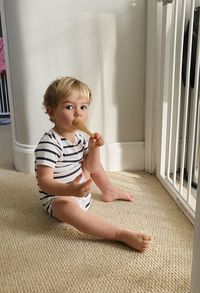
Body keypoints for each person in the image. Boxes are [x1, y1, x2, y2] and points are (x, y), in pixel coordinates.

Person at [34, 76, 152, 252]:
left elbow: (92, 168)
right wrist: (70, 190)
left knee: (90, 162)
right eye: (69, 107)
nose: (78, 113)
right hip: (59, 195)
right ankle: (119, 234)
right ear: (51, 113)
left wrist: (94, 148)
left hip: (79, 187)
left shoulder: (81, 137)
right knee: (65, 208)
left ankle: (108, 190)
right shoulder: (50, 144)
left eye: (83, 107)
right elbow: (44, 182)